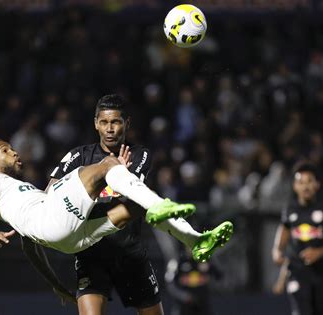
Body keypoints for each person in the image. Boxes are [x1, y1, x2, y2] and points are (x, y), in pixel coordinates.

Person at [21, 94, 231, 314]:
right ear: (96, 124)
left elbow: (130, 197)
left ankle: (193, 237)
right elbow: (50, 196)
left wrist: (101, 183)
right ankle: (191, 236)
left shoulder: (140, 155)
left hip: (129, 253)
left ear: (126, 123)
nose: (109, 128)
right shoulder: (78, 156)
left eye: (115, 122)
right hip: (91, 254)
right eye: (104, 122)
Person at [0, 139, 234, 298]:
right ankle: (155, 200)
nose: (14, 152)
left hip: (67, 241)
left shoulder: (21, 196)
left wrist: (56, 285)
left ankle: (194, 240)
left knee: (133, 206)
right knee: (108, 164)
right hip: (56, 223)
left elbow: (29, 244)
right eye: (5, 150)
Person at [271, 161, 323, 315]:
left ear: (317, 185)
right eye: (301, 182)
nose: (305, 186)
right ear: (294, 186)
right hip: (297, 270)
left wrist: (320, 251)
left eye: (309, 182)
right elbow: (284, 231)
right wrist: (277, 251)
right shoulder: (290, 210)